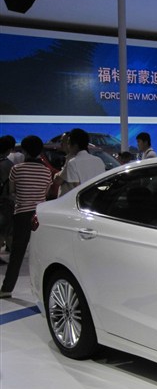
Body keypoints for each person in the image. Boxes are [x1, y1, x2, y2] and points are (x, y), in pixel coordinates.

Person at [0, 136, 53, 299]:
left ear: (24, 151)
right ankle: (45, 291)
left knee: (17, 253)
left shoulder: (17, 169)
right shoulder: (46, 171)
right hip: (40, 215)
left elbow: (12, 191)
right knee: (43, 254)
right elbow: (45, 193)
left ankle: (7, 288)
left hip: (22, 214)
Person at [54, 128, 105, 194]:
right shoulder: (99, 161)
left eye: (68, 143)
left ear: (75, 145)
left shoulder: (73, 162)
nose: (68, 146)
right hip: (95, 197)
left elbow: (76, 189)